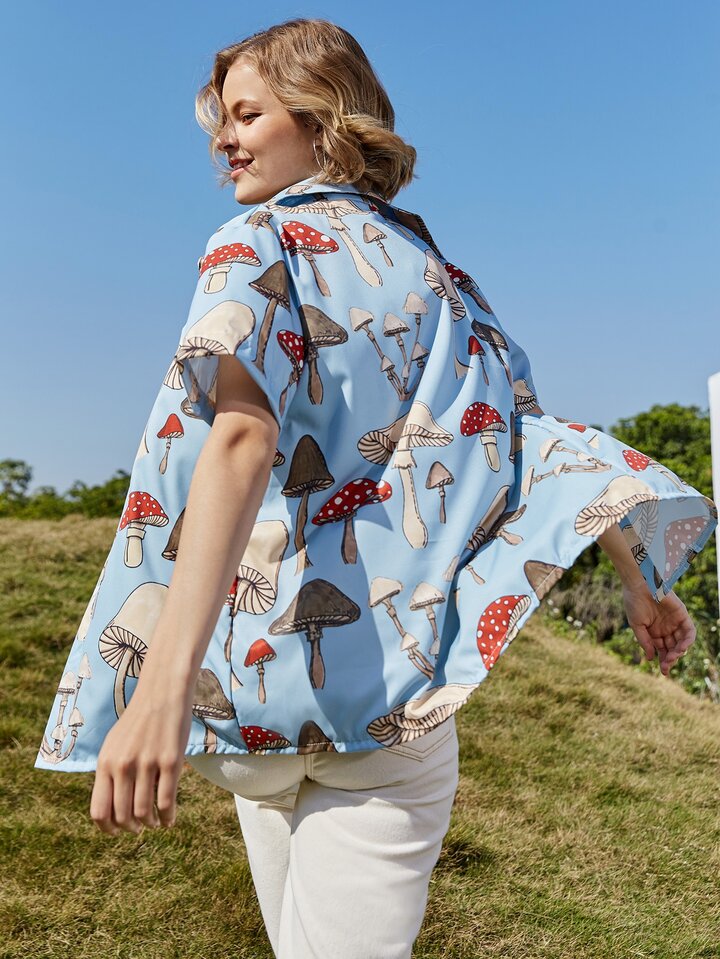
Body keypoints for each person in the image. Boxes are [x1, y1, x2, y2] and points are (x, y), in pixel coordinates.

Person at [34, 17, 718, 959]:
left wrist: (161, 685)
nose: (223, 140)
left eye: (247, 116)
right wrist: (641, 580)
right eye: (220, 121)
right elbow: (533, 445)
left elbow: (241, 435)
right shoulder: (441, 282)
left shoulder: (256, 242)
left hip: (257, 700)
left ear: (320, 118)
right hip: (388, 708)